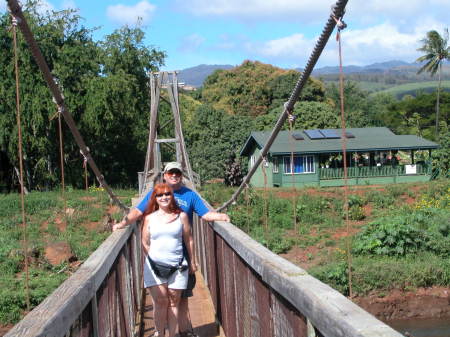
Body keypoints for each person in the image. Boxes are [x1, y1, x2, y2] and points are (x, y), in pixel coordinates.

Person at [113, 162, 230, 337]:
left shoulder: (190, 195)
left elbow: (205, 215)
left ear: (181, 176)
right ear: (165, 175)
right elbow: (138, 213)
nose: (174, 176)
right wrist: (122, 224)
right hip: (159, 260)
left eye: (177, 173)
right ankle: (162, 333)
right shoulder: (157, 193)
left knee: (180, 300)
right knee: (161, 301)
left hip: (181, 259)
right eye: (171, 173)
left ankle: (183, 332)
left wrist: (221, 216)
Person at [142, 183, 195, 337]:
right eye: (160, 195)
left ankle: (172, 334)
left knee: (173, 303)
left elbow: (189, 240)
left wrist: (192, 261)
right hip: (154, 267)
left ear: (172, 196)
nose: (164, 197)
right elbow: (145, 242)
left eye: (167, 194)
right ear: (155, 198)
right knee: (160, 302)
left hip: (178, 267)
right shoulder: (149, 218)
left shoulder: (182, 216)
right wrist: (152, 261)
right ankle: (159, 333)